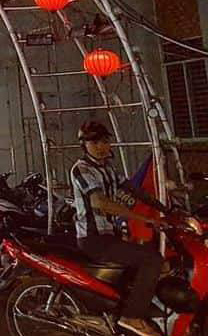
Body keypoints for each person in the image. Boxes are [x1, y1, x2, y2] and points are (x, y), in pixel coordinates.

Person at [69, 121, 167, 336]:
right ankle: (132, 317)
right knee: (152, 259)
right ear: (84, 145)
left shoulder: (109, 169)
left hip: (110, 236)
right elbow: (99, 202)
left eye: (104, 141)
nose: (100, 146)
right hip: (94, 239)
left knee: (142, 260)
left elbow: (135, 190)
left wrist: (165, 208)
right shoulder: (81, 169)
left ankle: (121, 312)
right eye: (94, 142)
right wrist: (144, 218)